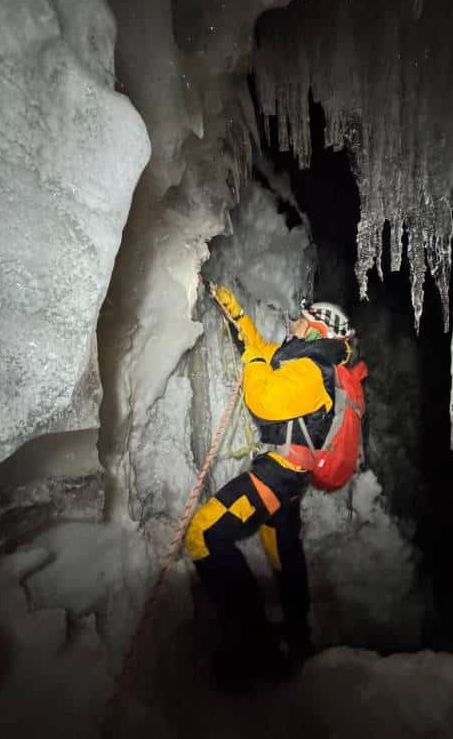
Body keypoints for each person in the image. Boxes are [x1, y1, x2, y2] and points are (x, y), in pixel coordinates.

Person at [185, 285, 356, 684]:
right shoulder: (307, 362)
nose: (293, 321)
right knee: (281, 552)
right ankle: (298, 637)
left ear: (316, 331)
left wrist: (253, 359)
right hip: (291, 479)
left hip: (278, 476)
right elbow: (263, 352)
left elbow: (264, 398)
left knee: (203, 535)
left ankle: (252, 645)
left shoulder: (312, 371)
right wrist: (238, 318)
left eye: (302, 318)